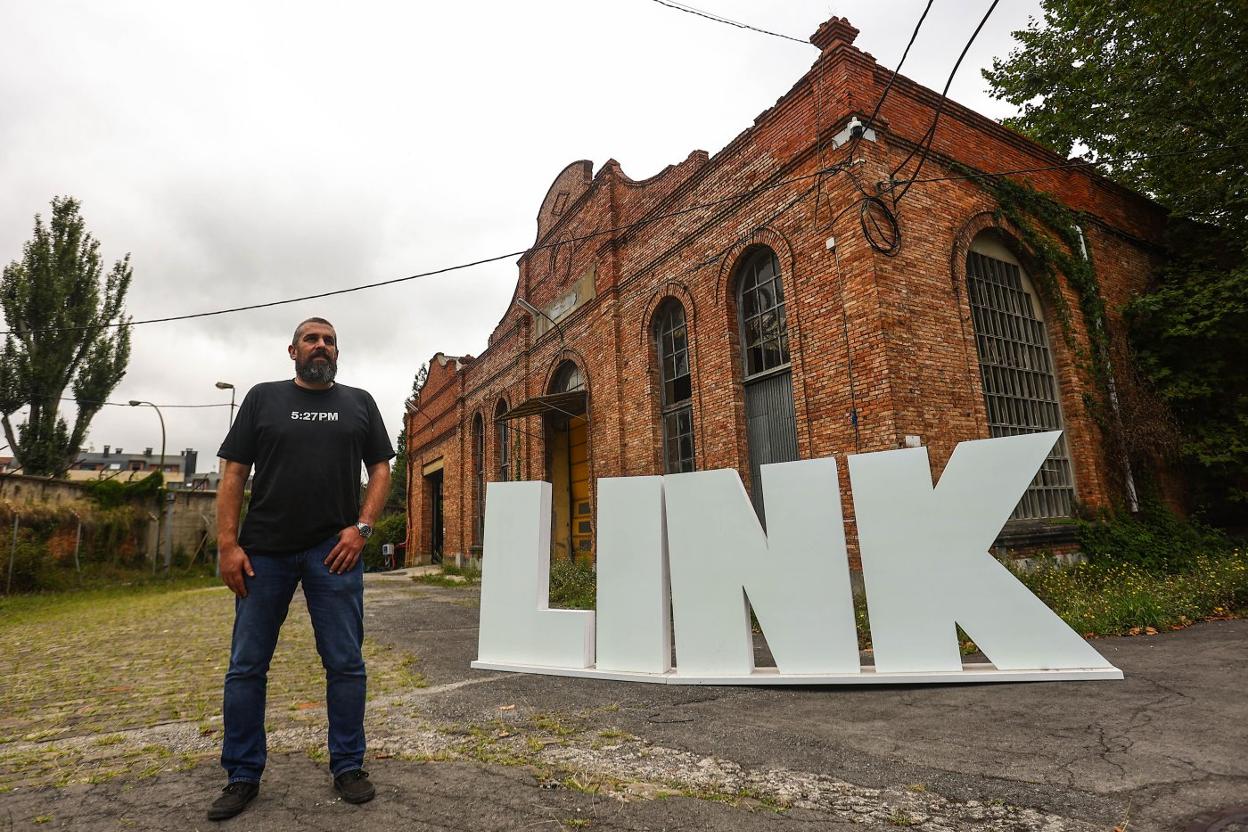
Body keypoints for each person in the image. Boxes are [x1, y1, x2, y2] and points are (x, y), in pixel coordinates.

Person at [207, 317, 394, 821]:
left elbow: (381, 468)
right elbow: (234, 472)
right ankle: (243, 774)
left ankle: (348, 764)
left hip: (332, 552)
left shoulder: (359, 403)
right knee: (247, 667)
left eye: (330, 340)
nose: (322, 346)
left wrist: (363, 529)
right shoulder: (263, 399)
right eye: (312, 339)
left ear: (337, 352)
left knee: (346, 664)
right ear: (292, 351)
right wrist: (228, 544)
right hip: (263, 552)